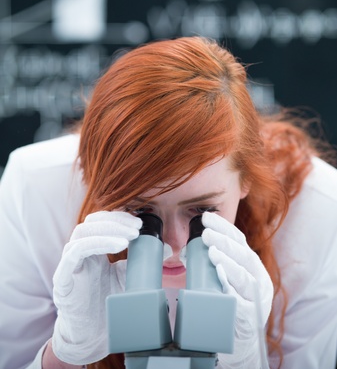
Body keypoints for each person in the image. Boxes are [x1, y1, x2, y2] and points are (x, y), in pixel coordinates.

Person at [0, 36, 336, 369]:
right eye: (141, 212)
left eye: (202, 212)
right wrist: (67, 353)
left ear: (246, 177)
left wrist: (247, 361)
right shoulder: (34, 191)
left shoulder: (318, 214)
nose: (172, 245)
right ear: (92, 180)